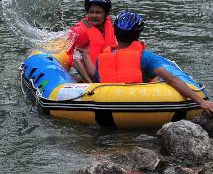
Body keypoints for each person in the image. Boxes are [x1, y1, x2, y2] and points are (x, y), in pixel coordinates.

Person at [82, 11, 213, 116]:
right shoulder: (145, 56)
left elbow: (95, 77)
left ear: (115, 32)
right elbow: (172, 79)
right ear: (138, 34)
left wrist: (85, 53)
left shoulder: (102, 57)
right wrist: (201, 102)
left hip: (105, 108)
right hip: (142, 107)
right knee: (156, 77)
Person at [66, 0, 117, 82]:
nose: (93, 15)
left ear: (106, 14)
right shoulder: (80, 31)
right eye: (91, 12)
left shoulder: (110, 25)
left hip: (104, 69)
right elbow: (75, 60)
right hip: (83, 73)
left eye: (98, 13)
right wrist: (90, 81)